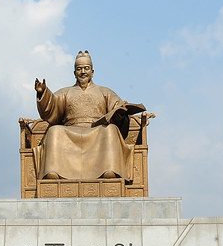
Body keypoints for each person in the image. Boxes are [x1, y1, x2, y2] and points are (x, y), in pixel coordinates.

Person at [34, 51, 146, 180]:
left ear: (92, 71)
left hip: (98, 130)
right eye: (79, 69)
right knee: (54, 131)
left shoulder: (105, 91)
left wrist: (120, 113)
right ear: (74, 73)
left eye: (86, 68)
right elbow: (52, 105)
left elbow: (117, 108)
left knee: (110, 130)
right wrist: (43, 93)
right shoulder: (65, 92)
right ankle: (53, 172)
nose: (83, 72)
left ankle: (109, 170)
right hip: (71, 130)